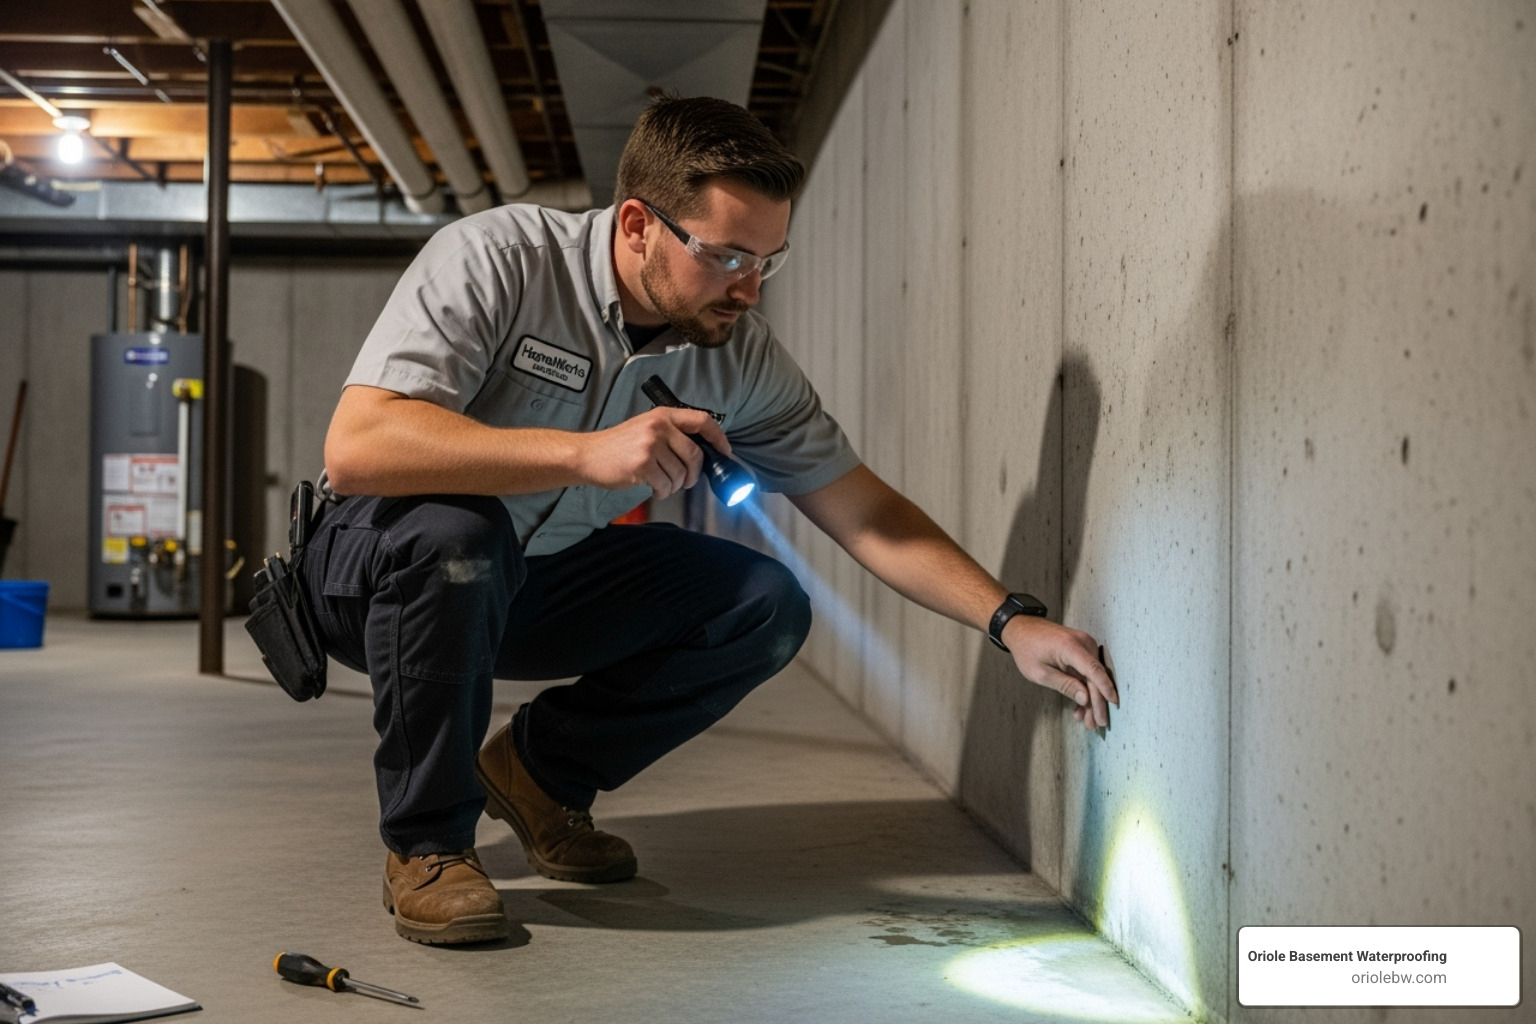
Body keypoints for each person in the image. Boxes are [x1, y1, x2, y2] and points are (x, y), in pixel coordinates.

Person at [303, 96, 1119, 945]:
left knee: (763, 602)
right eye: (726, 254)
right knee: (456, 539)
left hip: (526, 582)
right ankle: (429, 845)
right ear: (636, 226)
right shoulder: (499, 260)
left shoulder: (738, 353)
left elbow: (863, 506)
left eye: (769, 258)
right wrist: (585, 455)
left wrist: (1010, 620)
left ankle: (539, 774)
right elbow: (361, 445)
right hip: (374, 574)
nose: (750, 286)